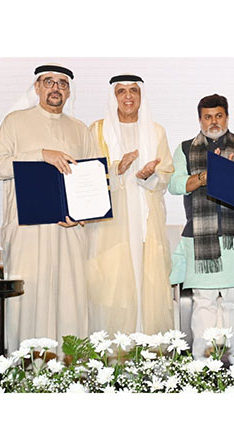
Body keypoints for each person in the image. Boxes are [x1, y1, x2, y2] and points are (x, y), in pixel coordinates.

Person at [0, 64, 94, 354]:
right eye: (49, 82)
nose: (55, 88)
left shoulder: (80, 129)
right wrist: (41, 156)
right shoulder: (14, 121)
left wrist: (82, 215)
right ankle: (24, 364)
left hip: (68, 233)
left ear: (69, 91)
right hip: (27, 231)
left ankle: (69, 367)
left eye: (62, 83)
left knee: (69, 298)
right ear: (37, 87)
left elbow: (90, 181)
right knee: (29, 298)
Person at [169, 94, 234, 363]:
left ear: (227, 116)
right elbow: (175, 185)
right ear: (200, 119)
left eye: (219, 116)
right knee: (204, 302)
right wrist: (202, 178)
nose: (213, 122)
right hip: (201, 237)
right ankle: (202, 363)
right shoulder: (185, 148)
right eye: (207, 117)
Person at [86, 74, 174, 335]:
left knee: (148, 285)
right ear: (114, 97)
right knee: (111, 286)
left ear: (140, 96)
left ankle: (145, 353)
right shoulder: (97, 130)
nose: (128, 96)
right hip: (109, 225)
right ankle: (112, 356)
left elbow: (166, 173)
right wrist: (117, 168)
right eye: (122, 91)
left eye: (133, 91)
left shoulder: (156, 130)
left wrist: (149, 176)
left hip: (147, 221)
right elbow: (88, 175)